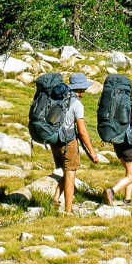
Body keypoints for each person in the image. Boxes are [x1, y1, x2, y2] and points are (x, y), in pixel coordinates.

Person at [54, 73, 102, 212]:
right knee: (70, 174)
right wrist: (92, 152)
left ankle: (55, 199)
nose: (85, 90)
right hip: (68, 141)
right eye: (84, 88)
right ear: (80, 88)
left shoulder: (59, 98)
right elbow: (82, 131)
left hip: (55, 141)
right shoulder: (77, 104)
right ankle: (68, 211)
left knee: (65, 171)